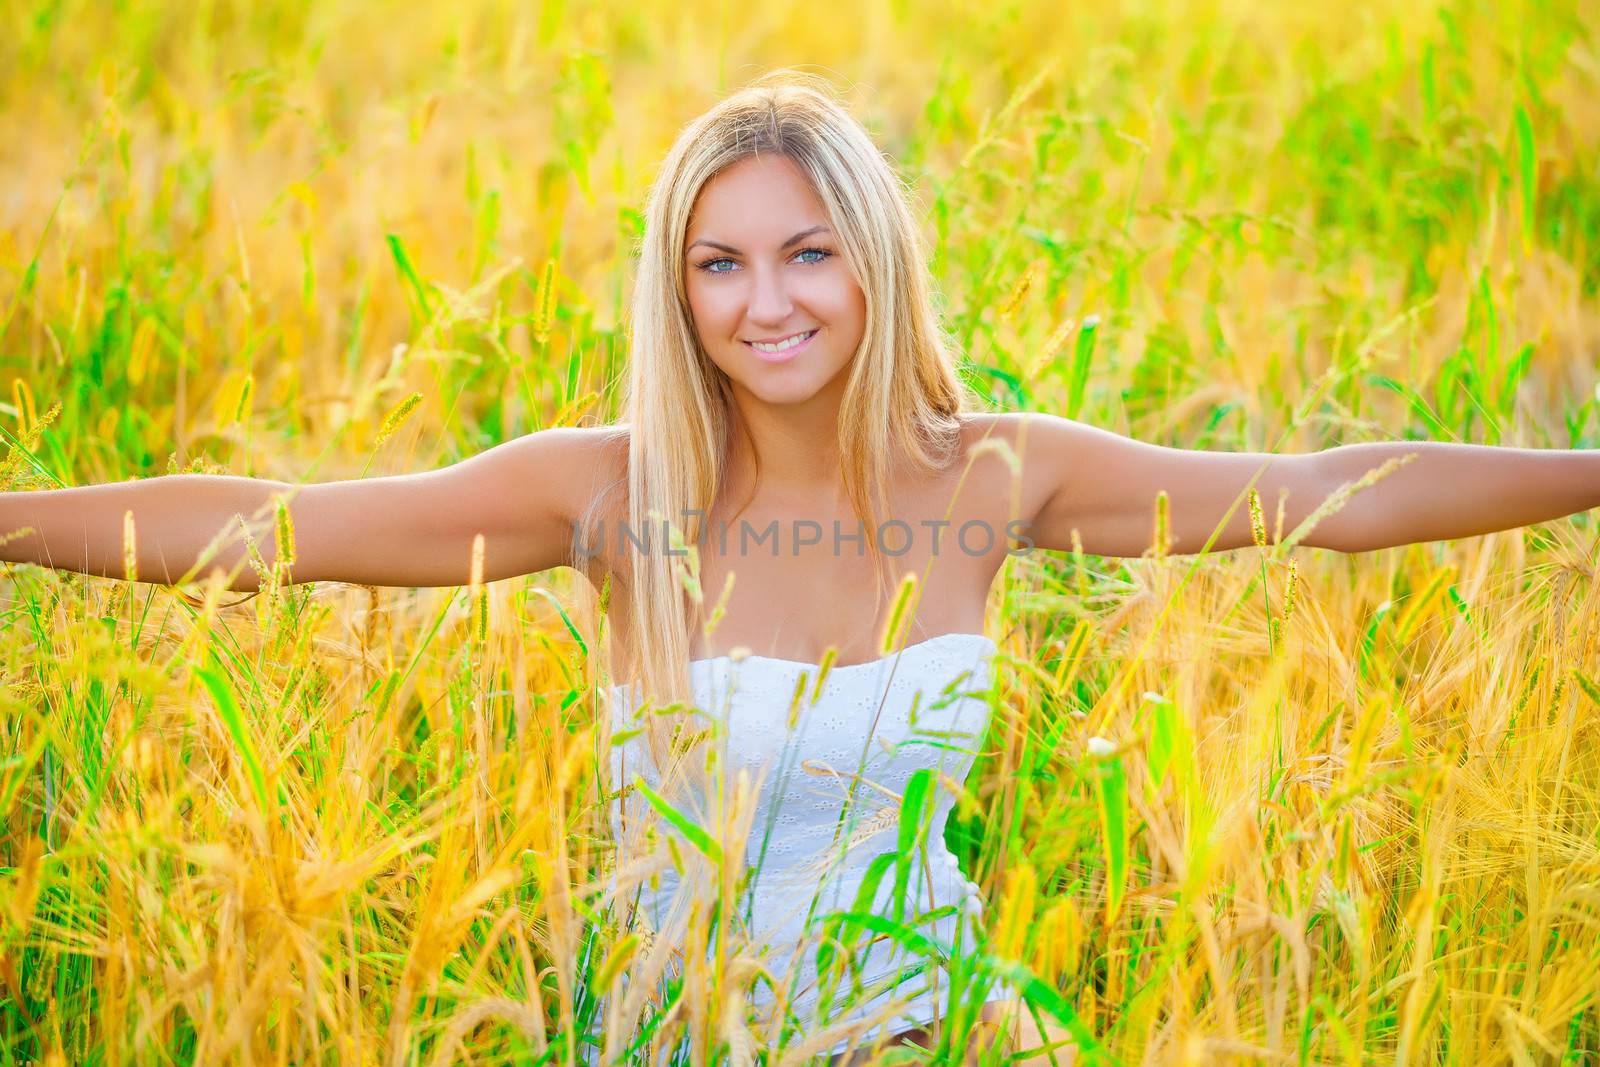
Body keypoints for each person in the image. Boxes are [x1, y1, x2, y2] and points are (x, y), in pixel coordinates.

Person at [3, 71, 1596, 1064]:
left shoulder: (992, 478)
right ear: (677, 293)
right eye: (721, 262)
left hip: (936, 1016)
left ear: (876, 258)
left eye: (808, 250)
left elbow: (1323, 491)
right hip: (682, 1029)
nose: (767, 302)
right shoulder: (614, 500)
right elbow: (279, 530)